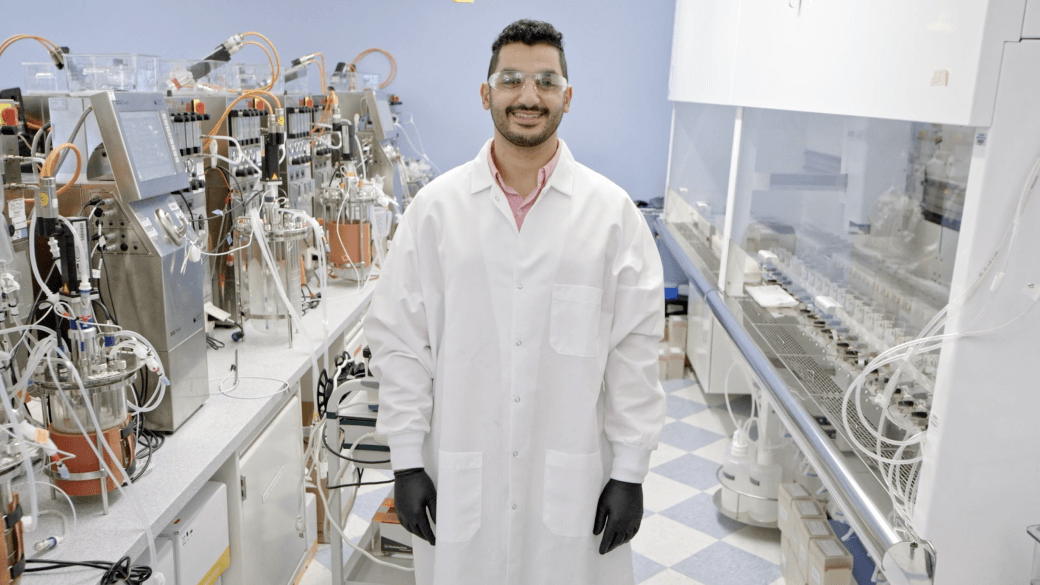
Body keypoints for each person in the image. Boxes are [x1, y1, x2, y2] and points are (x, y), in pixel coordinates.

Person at [364, 19, 666, 585]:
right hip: (459, 467)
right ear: (486, 93)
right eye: (511, 80)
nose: (529, 96)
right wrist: (406, 460)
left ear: (567, 97)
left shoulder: (611, 214)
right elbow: (401, 339)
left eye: (547, 82)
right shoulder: (435, 210)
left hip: (572, 476)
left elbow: (635, 349)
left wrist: (629, 471)